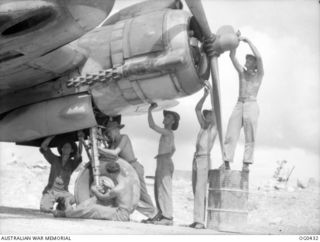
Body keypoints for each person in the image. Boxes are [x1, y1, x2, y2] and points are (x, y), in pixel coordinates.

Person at [98, 121, 157, 221]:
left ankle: (155, 215)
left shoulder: (124, 137)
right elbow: (107, 156)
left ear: (116, 130)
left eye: (109, 132)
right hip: (127, 171)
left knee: (143, 194)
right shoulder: (112, 143)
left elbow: (114, 153)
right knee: (131, 195)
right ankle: (152, 214)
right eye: (107, 133)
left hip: (134, 167)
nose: (108, 134)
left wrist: (100, 148)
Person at [223, 36, 264, 172]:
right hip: (239, 103)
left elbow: (259, 57)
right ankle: (226, 161)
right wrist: (236, 40)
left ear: (254, 64)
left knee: (250, 135)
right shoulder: (242, 72)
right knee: (231, 132)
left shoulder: (259, 75)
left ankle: (246, 163)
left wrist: (248, 41)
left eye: (249, 59)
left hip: (251, 104)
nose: (246, 60)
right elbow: (232, 56)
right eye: (246, 59)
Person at [54, 161, 137, 221]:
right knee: (93, 201)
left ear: (111, 174)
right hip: (125, 212)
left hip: (120, 215)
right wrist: (109, 188)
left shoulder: (117, 189)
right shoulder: (127, 180)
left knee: (93, 209)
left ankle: (65, 214)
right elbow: (121, 195)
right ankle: (74, 211)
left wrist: (94, 189)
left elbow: (103, 197)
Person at [189, 86, 217, 229]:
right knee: (195, 189)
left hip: (204, 159)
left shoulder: (214, 127)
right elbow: (197, 109)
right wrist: (204, 95)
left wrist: (212, 93)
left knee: (200, 189)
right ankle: (197, 218)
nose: (207, 116)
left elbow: (216, 107)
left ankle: (200, 221)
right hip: (196, 158)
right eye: (206, 114)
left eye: (210, 114)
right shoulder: (203, 126)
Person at [148, 103, 180, 226]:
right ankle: (161, 213)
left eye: (168, 117)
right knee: (158, 189)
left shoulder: (168, 132)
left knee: (165, 189)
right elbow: (174, 149)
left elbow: (152, 125)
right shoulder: (168, 134)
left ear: (172, 122)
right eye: (166, 116)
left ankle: (168, 217)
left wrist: (150, 110)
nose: (165, 118)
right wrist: (164, 155)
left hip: (165, 163)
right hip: (163, 161)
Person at [39, 133, 82, 213]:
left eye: (68, 147)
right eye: (64, 147)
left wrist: (80, 139)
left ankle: (61, 206)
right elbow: (43, 147)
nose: (66, 148)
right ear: (61, 149)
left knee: (73, 199)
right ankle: (54, 207)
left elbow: (78, 155)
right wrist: (52, 135)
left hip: (63, 192)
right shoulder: (54, 159)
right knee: (45, 209)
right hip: (51, 191)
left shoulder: (72, 164)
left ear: (72, 150)